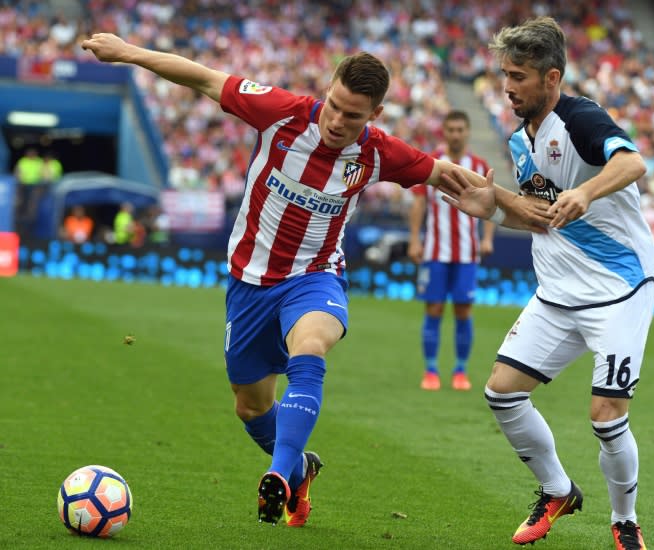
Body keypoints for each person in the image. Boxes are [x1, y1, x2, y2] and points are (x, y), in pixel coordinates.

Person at [81, 33, 553, 528]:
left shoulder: (378, 153)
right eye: (334, 106)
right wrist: (128, 52)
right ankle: (300, 468)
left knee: (310, 346)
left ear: (374, 114)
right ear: (326, 92)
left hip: (315, 275)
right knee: (250, 406)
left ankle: (280, 473)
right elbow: (201, 76)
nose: (336, 121)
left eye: (352, 115)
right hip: (249, 282)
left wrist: (516, 205)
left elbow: (448, 175)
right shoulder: (280, 112)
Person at [437, 17, 654, 550]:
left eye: (518, 76)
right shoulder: (520, 141)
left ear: (551, 77)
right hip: (558, 294)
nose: (507, 86)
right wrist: (490, 211)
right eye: (504, 75)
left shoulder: (581, 118)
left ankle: (625, 522)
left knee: (606, 417)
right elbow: (539, 216)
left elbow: (633, 162)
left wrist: (587, 193)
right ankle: (557, 490)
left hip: (620, 291)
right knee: (502, 393)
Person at [407, 110, 495, 391]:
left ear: (467, 132)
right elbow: (419, 204)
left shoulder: (479, 166)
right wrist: (414, 240)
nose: (456, 134)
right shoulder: (432, 164)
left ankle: (460, 370)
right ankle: (431, 370)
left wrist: (488, 238)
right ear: (443, 132)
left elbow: (493, 206)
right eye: (451, 129)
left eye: (460, 129)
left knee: (463, 311)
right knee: (433, 308)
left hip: (467, 253)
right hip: (436, 252)